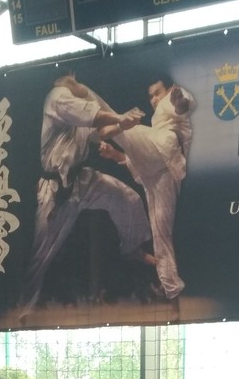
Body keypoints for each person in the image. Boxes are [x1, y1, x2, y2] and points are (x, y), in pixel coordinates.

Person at [21, 69, 154, 308]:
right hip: (55, 188)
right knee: (42, 253)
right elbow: (93, 115)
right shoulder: (57, 96)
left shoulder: (79, 104)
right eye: (72, 78)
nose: (77, 81)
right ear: (64, 78)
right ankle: (24, 305)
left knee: (127, 198)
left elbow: (101, 131)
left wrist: (122, 124)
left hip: (82, 180)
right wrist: (119, 117)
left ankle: (131, 248)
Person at [99, 76, 195, 300]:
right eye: (150, 96)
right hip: (158, 176)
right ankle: (171, 289)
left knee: (122, 127)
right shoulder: (157, 119)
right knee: (161, 235)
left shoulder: (171, 100)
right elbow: (139, 158)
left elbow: (183, 105)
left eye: (157, 93)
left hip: (164, 154)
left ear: (169, 89)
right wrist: (114, 155)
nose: (153, 99)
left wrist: (178, 98)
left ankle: (100, 116)